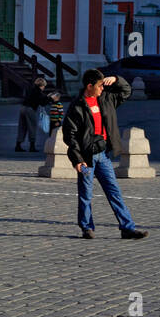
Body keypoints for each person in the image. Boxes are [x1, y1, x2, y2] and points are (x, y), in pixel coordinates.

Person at [62, 69, 147, 240]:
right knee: (86, 194)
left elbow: (126, 91)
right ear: (89, 86)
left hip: (104, 155)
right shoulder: (77, 106)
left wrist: (116, 79)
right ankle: (87, 228)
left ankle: (127, 228)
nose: (102, 88)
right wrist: (77, 159)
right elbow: (69, 135)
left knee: (114, 191)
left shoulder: (107, 98)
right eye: (99, 85)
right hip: (87, 157)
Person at [15, 76, 47, 152]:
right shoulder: (38, 92)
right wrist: (50, 99)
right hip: (30, 109)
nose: (44, 88)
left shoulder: (30, 89)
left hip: (23, 107)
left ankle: (18, 145)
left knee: (22, 127)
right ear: (42, 86)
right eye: (44, 86)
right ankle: (32, 147)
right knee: (32, 127)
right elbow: (43, 103)